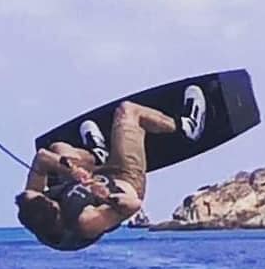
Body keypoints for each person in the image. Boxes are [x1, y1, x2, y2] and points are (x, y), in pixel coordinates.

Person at [16, 86, 206, 250]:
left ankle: (97, 155)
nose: (43, 193)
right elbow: (133, 206)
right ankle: (186, 127)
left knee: (57, 148)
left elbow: (42, 158)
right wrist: (106, 196)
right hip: (125, 179)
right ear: (55, 209)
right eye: (46, 197)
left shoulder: (32, 205)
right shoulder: (86, 222)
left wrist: (72, 170)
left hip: (93, 176)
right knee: (128, 111)